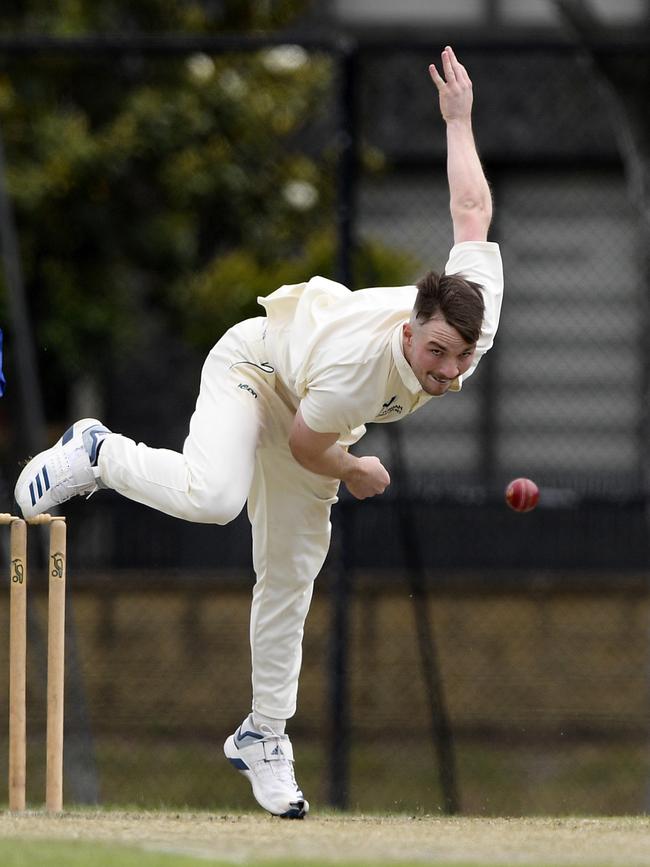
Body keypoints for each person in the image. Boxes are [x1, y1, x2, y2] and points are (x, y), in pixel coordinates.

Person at [14, 46, 503, 818]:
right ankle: (97, 450)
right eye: (437, 353)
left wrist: (459, 119)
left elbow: (471, 212)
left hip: (312, 410)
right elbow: (311, 446)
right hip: (258, 373)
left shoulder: (477, 305)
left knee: (291, 572)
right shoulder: (358, 368)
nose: (447, 371)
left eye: (461, 357)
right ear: (410, 331)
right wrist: (355, 472)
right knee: (214, 496)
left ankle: (263, 736)